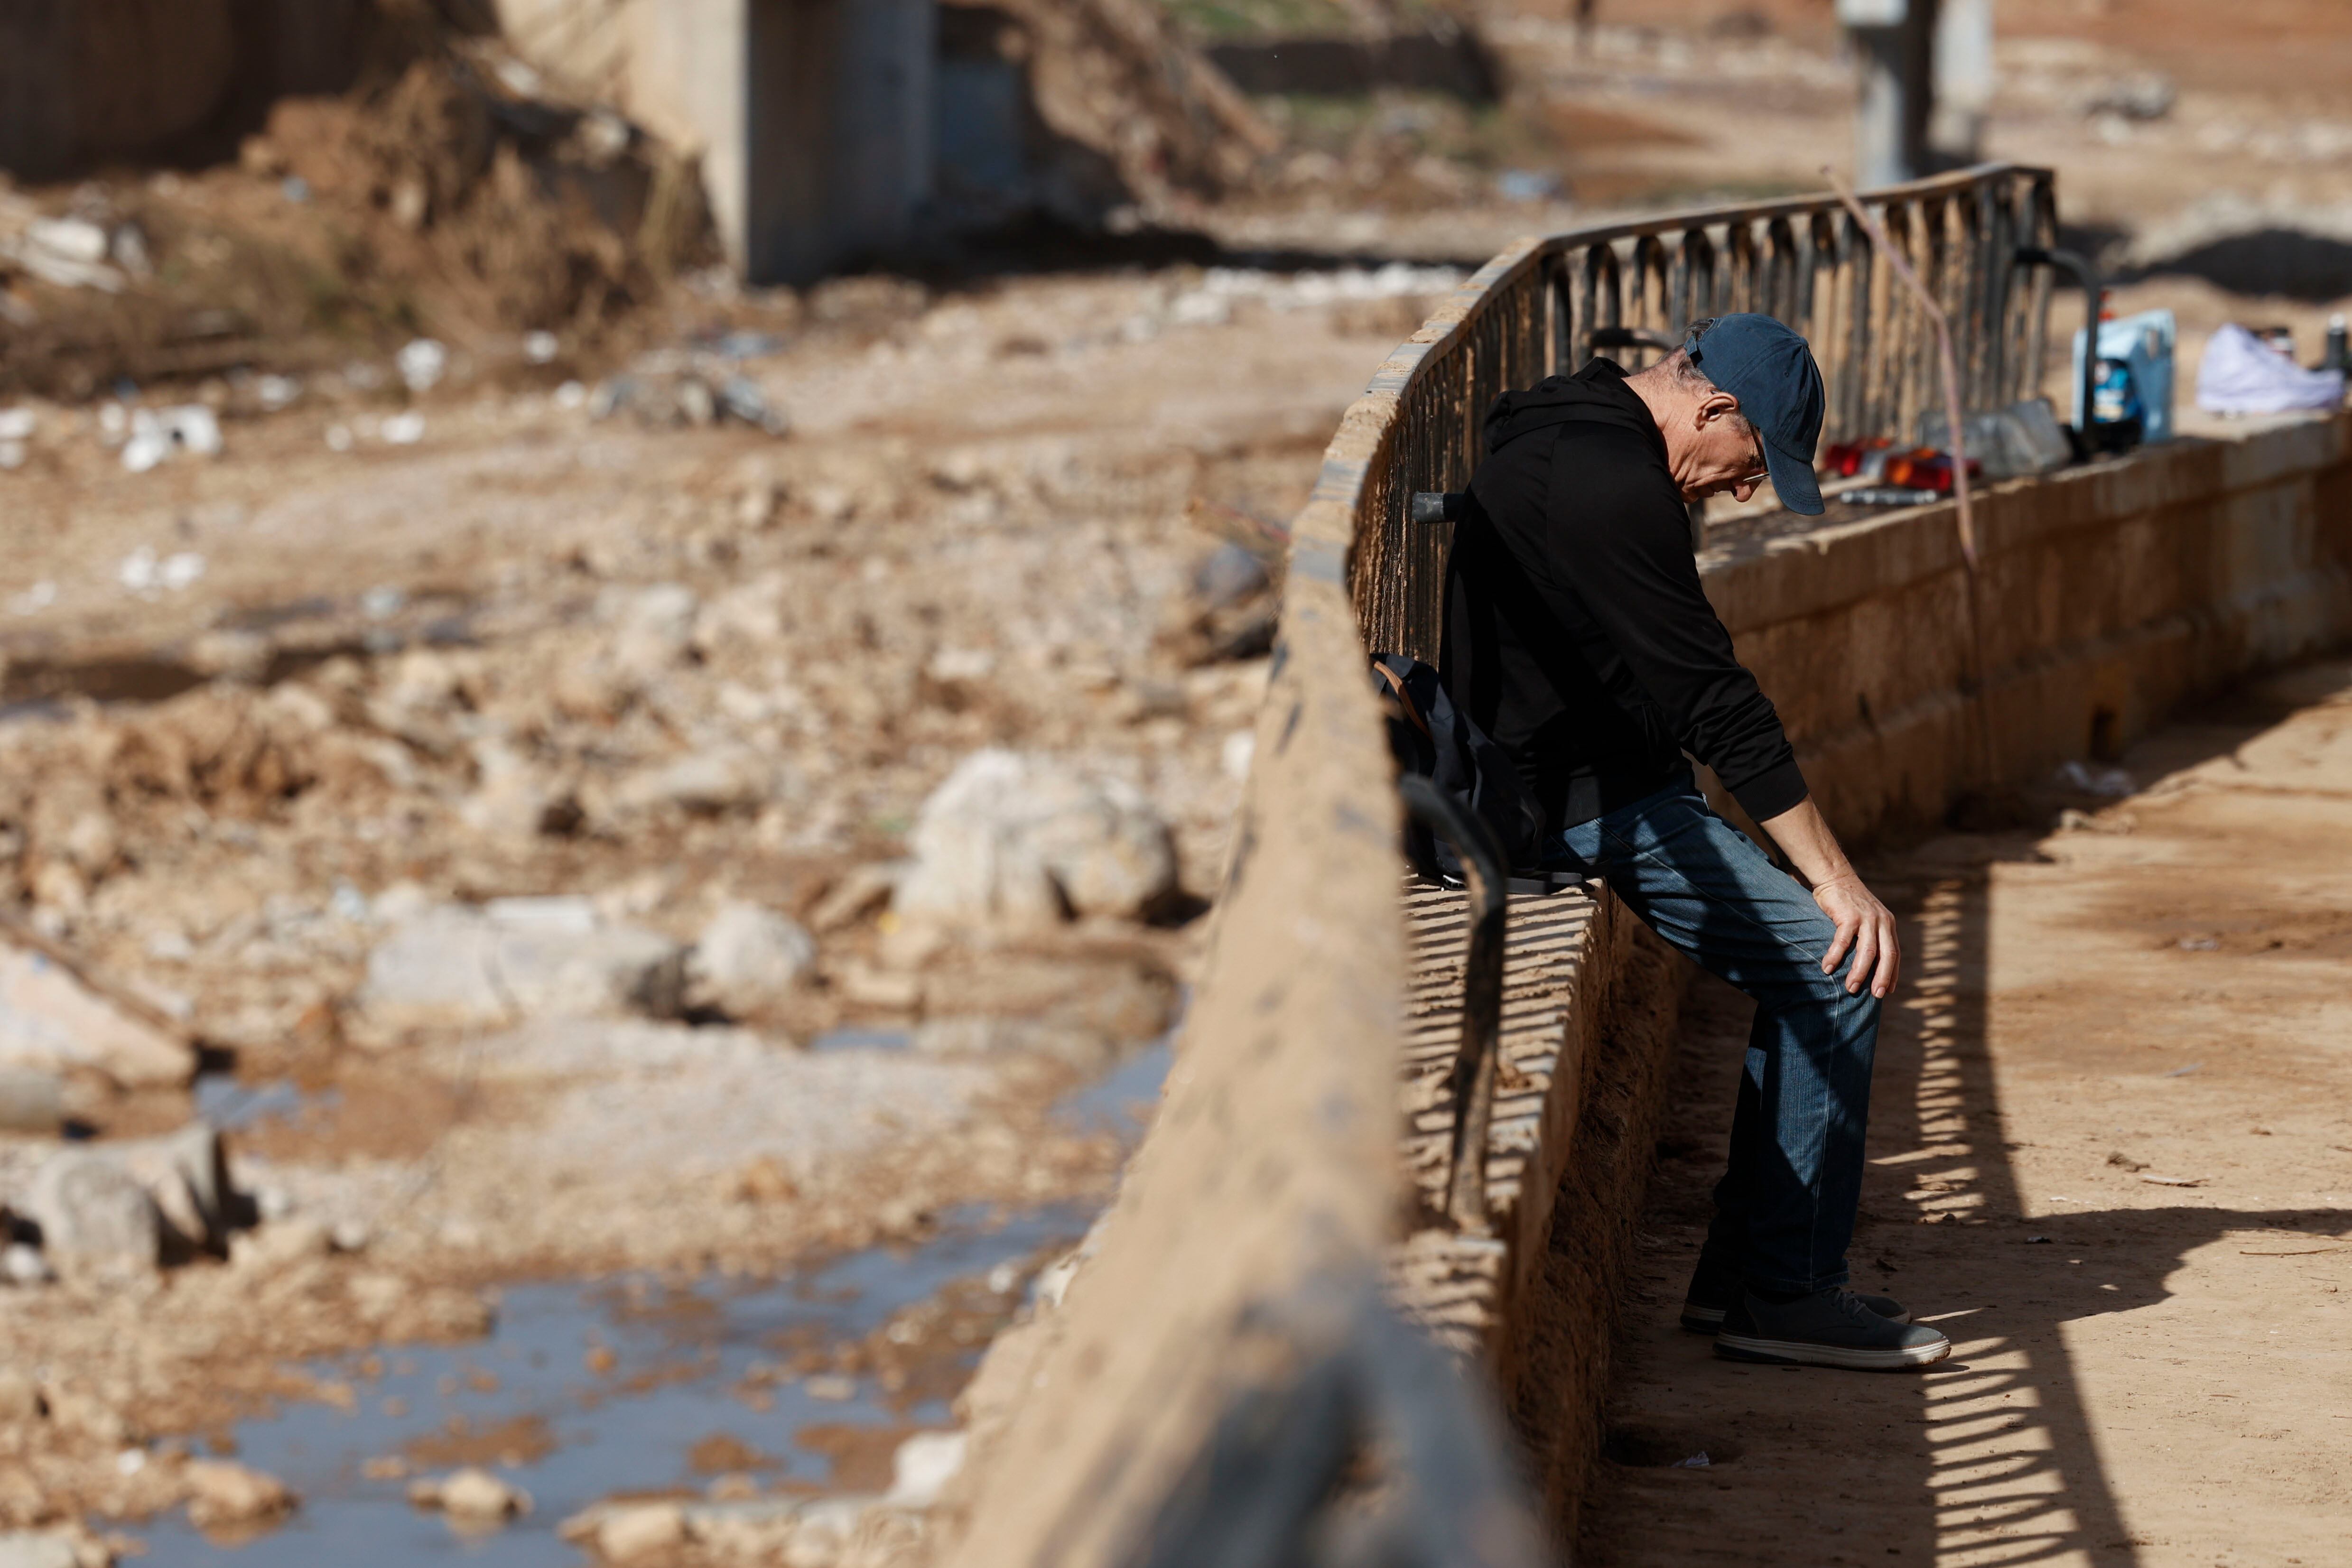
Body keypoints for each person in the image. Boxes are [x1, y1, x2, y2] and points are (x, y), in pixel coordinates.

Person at [1441, 313, 1948, 1370]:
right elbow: (1715, 701)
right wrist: (1840, 881)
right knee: (1838, 968)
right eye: (1753, 461)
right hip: (1581, 801)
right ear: (1713, 409)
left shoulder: (1567, 430)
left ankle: (1742, 1280)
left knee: (1811, 966)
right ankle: (1785, 1292)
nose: (1746, 488)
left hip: (1583, 777)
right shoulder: (1609, 483)